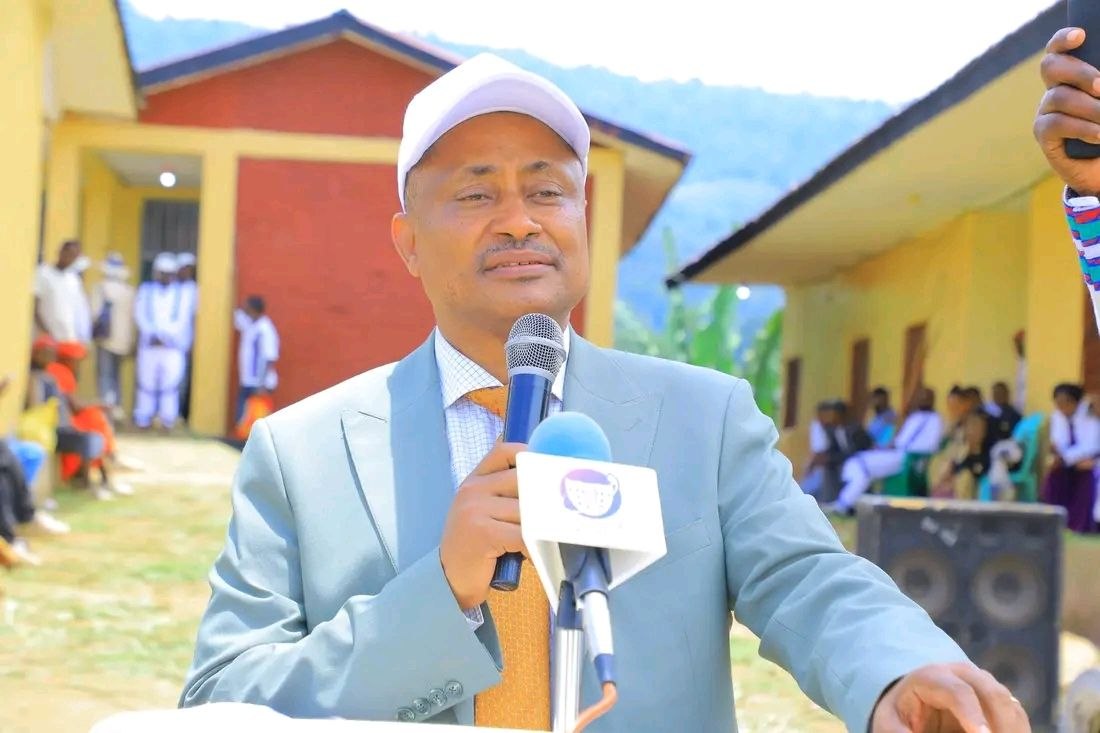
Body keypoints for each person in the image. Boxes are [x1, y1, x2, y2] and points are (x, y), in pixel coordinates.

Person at [181, 54, 1027, 732]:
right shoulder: (300, 454)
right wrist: (440, 591)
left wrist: (896, 670)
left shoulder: (704, 418)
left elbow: (807, 577)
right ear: (407, 241)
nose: (520, 219)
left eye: (547, 190)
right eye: (476, 193)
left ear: (581, 217)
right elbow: (222, 700)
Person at [828, 387, 944, 515]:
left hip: (905, 458)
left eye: (926, 397)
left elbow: (910, 444)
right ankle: (846, 503)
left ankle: (843, 505)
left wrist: (889, 445)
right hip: (901, 455)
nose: (922, 400)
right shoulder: (919, 416)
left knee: (860, 464)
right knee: (859, 463)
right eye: (920, 397)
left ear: (932, 400)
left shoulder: (931, 419)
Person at [133, 253, 187, 432]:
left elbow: (181, 320)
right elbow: (140, 315)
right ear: (156, 273)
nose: (166, 277)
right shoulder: (146, 290)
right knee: (146, 382)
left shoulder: (181, 293)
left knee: (170, 384)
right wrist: (152, 333)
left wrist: (164, 336)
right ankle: (143, 419)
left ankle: (167, 420)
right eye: (163, 273)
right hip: (149, 345)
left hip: (171, 346)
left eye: (170, 273)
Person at [1043, 384, 1098, 533]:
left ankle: (1079, 524)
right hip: (1068, 460)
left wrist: (1068, 459)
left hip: (1089, 459)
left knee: (1086, 475)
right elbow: (1059, 441)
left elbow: (1091, 445)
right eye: (1058, 402)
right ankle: (1054, 523)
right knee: (1054, 476)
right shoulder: (1057, 416)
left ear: (1075, 402)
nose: (1061, 407)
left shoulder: (1089, 414)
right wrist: (1060, 457)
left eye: (1065, 402)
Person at [90, 253, 137, 421]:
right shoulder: (129, 291)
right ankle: (117, 409)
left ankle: (106, 411)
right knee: (116, 375)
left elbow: (94, 314)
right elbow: (133, 319)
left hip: (105, 339)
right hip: (123, 341)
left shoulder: (100, 288)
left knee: (105, 375)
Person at [232, 295, 279, 424]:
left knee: (256, 419)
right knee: (242, 418)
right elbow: (236, 316)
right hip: (247, 380)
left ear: (253, 309)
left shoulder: (265, 329)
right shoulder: (249, 324)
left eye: (247, 307)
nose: (245, 310)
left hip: (259, 383)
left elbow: (270, 358)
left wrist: (261, 384)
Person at [33, 239, 83, 343]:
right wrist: (44, 331)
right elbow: (34, 305)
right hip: (45, 337)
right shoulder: (43, 273)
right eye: (68, 253)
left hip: (68, 337)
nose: (69, 258)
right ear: (60, 251)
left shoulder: (74, 280)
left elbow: (76, 310)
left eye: (74, 256)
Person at [176, 252, 198, 423]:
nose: (185, 271)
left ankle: (180, 414)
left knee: (183, 380)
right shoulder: (172, 287)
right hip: (169, 343)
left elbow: (195, 318)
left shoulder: (194, 289)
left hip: (185, 342)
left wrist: (193, 342)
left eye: (188, 268)